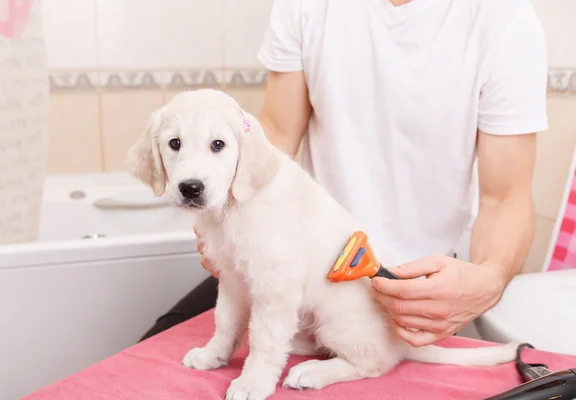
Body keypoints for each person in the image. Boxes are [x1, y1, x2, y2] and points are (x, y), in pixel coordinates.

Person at [140, 0, 547, 347]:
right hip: (301, 258)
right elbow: (277, 136)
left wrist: (488, 281)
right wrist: (222, 211)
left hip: (412, 287)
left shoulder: (503, 19)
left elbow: (505, 197)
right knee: (152, 353)